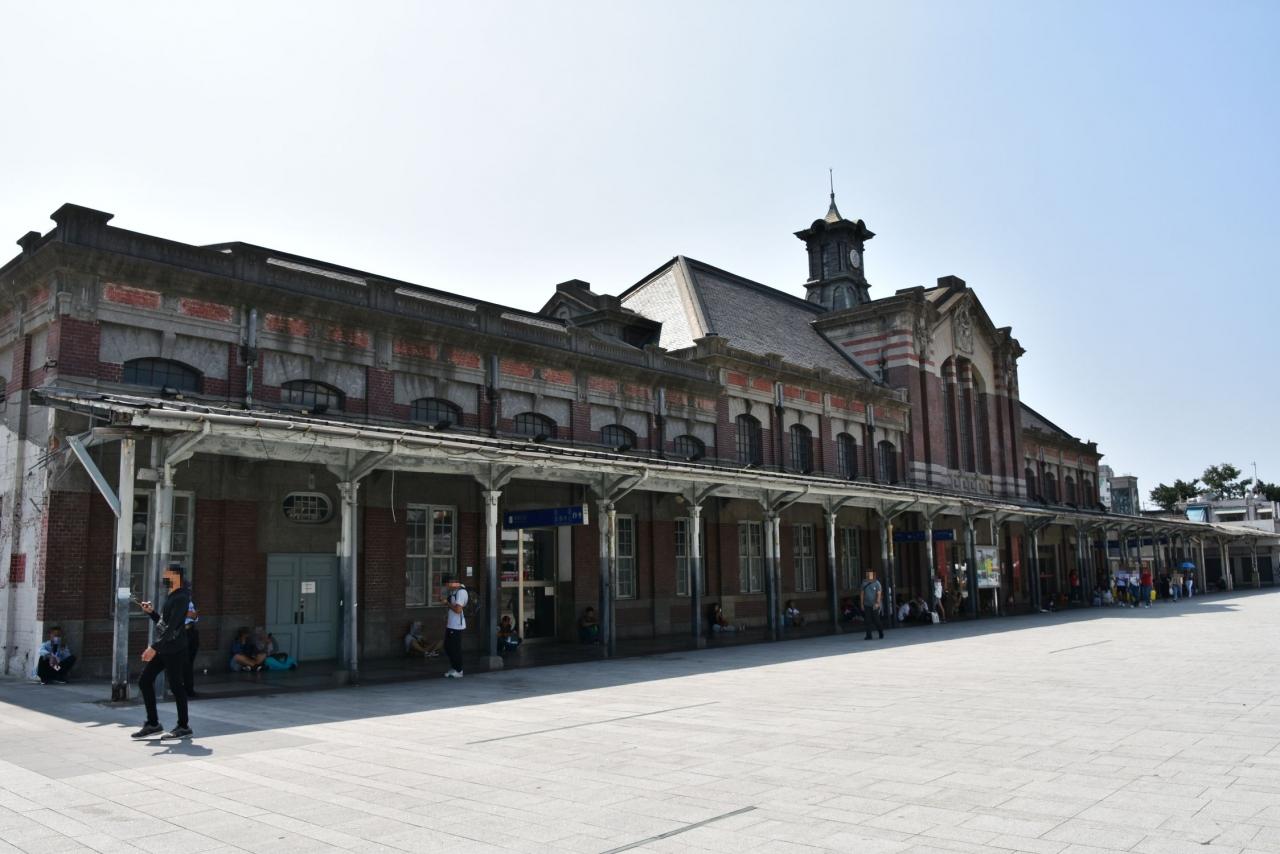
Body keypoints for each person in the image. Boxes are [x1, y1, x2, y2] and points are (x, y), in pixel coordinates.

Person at [133, 563, 192, 740]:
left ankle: (183, 726)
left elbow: (173, 627)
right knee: (144, 681)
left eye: (167, 574)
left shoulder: (182, 597)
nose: (164, 577)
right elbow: (165, 624)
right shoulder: (172, 596)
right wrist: (151, 613)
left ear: (176, 576)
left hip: (175, 649)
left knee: (176, 686)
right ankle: (153, 724)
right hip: (165, 647)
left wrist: (153, 647)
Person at [442, 575, 468, 678]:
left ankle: (459, 670)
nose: (446, 587)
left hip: (457, 625)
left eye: (446, 585)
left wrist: (447, 603)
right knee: (447, 646)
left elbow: (458, 610)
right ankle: (454, 667)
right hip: (451, 624)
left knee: (455, 648)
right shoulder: (454, 591)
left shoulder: (461, 592)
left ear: (451, 582)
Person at [183, 593, 200, 698]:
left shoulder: (189, 602)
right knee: (182, 662)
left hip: (191, 631)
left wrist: (191, 615)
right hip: (181, 632)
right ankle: (183, 688)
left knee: (189, 662)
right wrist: (187, 614)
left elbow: (195, 616)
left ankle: (189, 688)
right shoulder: (173, 601)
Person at [861, 570, 884, 640]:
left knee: (876, 620)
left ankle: (880, 632)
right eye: (868, 574)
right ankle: (869, 635)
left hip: (875, 604)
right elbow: (862, 594)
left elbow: (879, 594)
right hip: (866, 604)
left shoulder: (877, 583)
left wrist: (877, 603)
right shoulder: (864, 583)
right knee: (867, 620)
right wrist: (862, 604)